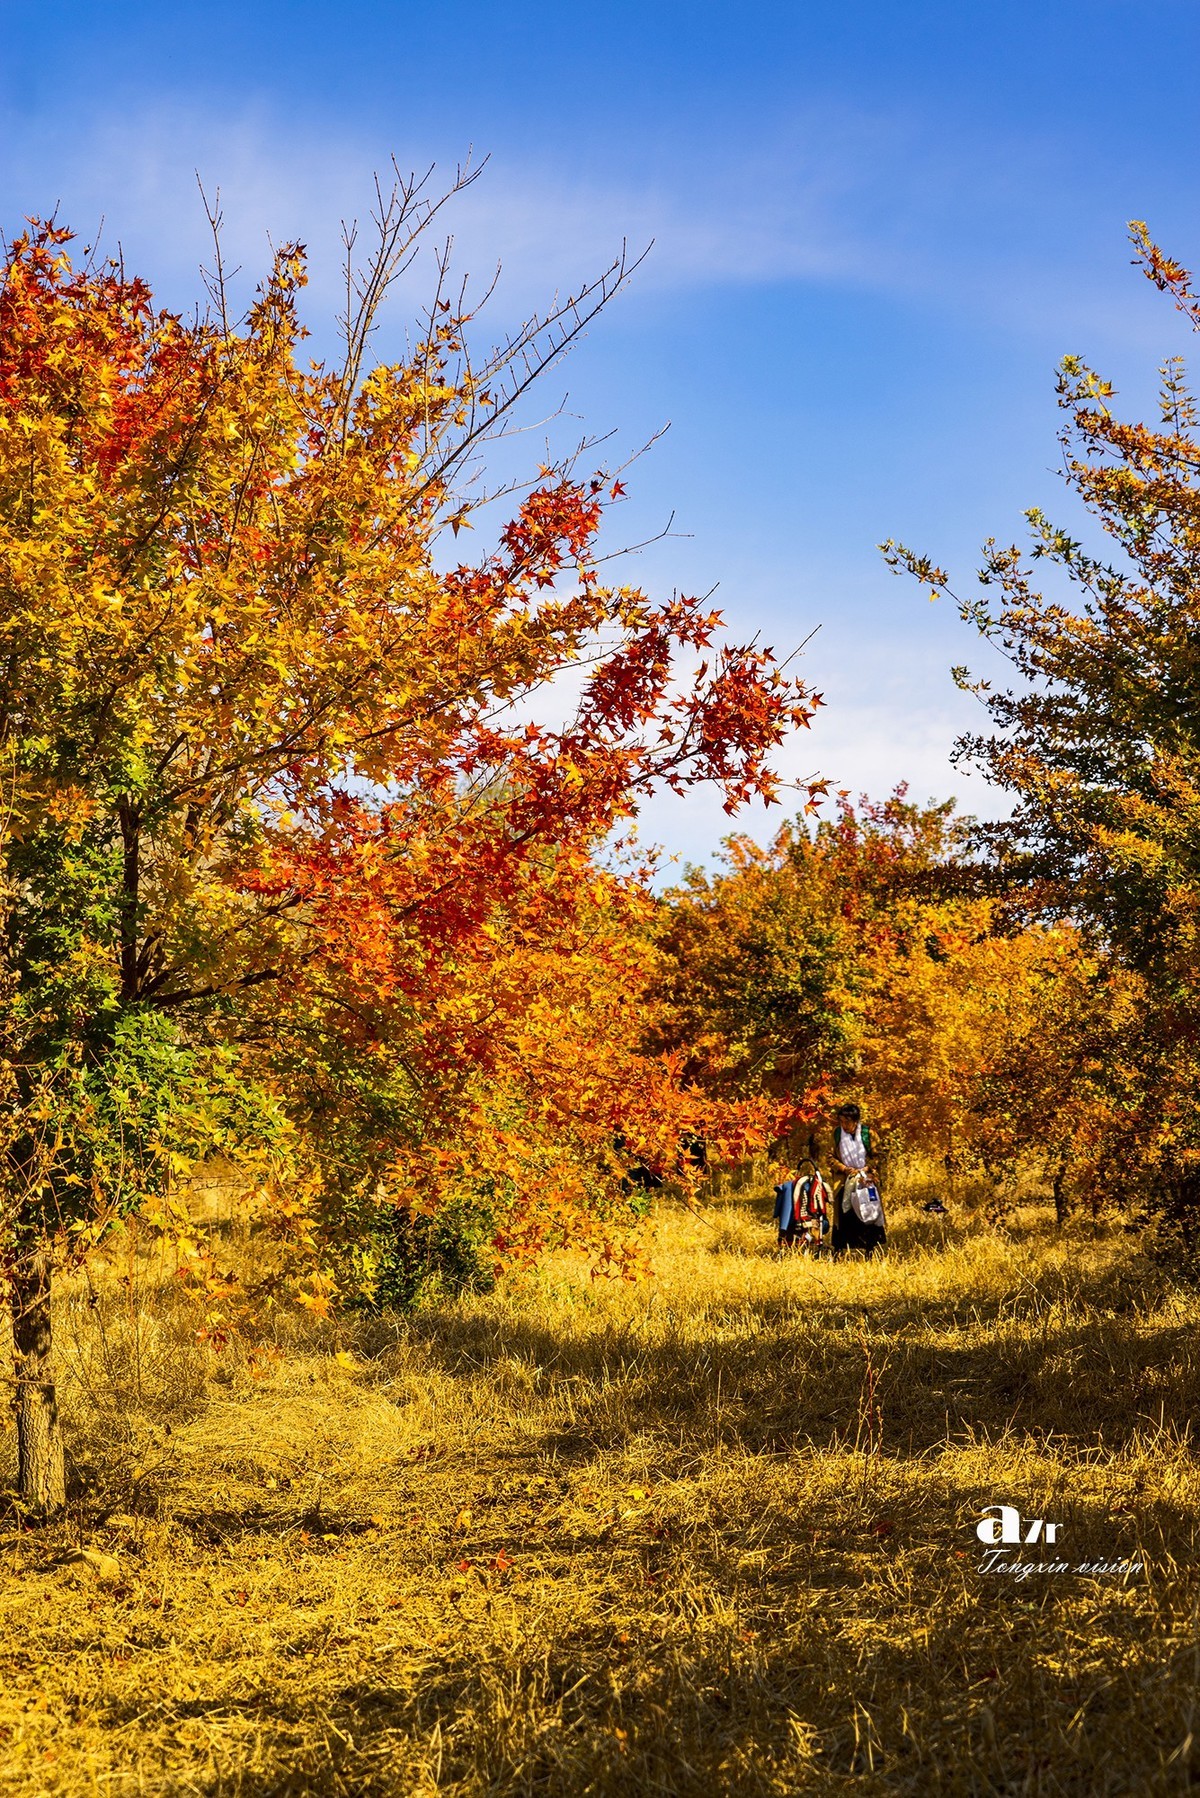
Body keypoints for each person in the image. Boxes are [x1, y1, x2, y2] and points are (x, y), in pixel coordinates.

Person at [828, 1102, 886, 1257]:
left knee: (867, 1212)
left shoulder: (869, 1134)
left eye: (847, 1122)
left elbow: (879, 1155)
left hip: (865, 1179)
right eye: (841, 1122)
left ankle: (869, 1250)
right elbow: (830, 1157)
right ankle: (840, 1249)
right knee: (843, 1213)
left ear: (855, 1121)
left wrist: (867, 1169)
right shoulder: (837, 1134)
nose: (844, 1125)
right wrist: (844, 1169)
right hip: (844, 1180)